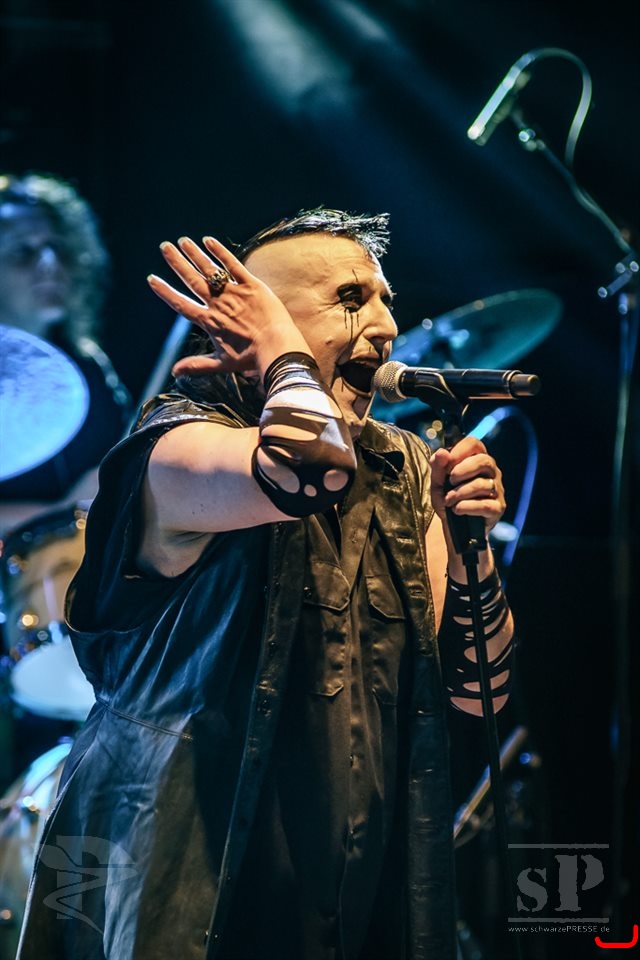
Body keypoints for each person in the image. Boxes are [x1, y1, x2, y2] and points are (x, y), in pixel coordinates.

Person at [16, 209, 514, 960]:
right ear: (250, 322)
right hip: (184, 871)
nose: (386, 326)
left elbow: (481, 692)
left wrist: (473, 548)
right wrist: (284, 353)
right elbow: (305, 471)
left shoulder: (405, 469)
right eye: (350, 300)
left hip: (358, 882)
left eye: (385, 300)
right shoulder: (177, 445)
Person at [0, 172, 131, 530]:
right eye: (23, 251)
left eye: (58, 247)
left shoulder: (89, 365)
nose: (50, 264)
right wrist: (62, 515)